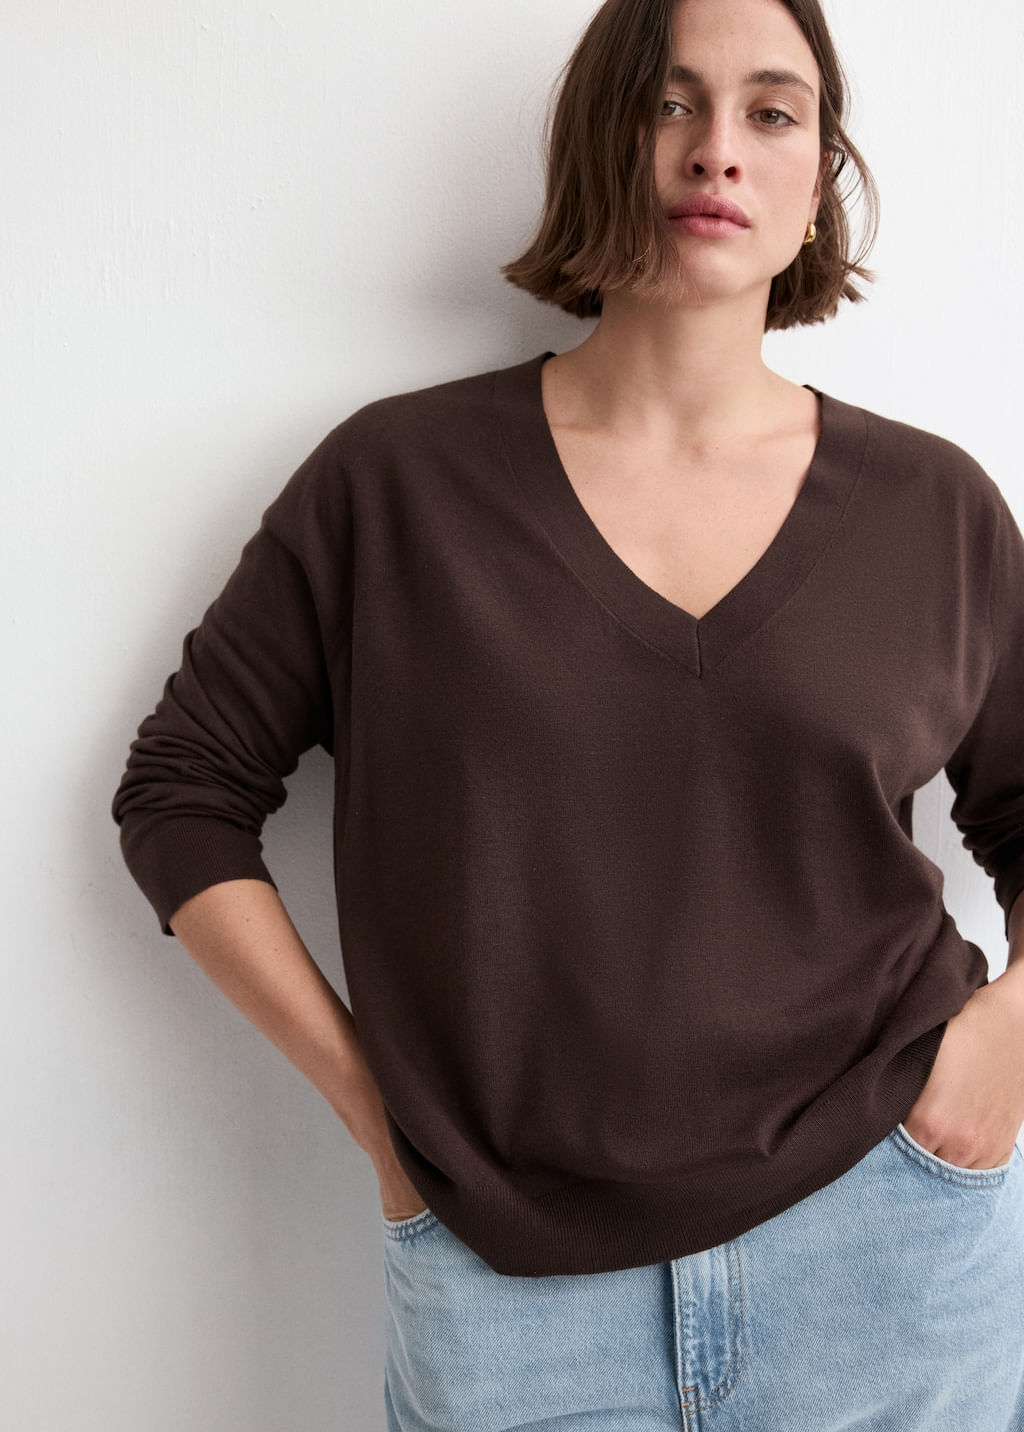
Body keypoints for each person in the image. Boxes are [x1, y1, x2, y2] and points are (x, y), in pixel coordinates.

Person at [112, 0, 1024, 1426]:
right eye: (670, 103)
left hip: (889, 1250)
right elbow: (182, 793)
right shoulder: (396, 486)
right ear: (601, 137)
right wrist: (382, 1123)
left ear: (819, 176)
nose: (717, 152)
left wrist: (1005, 1046)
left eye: (772, 112)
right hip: (509, 1286)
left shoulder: (934, 509)